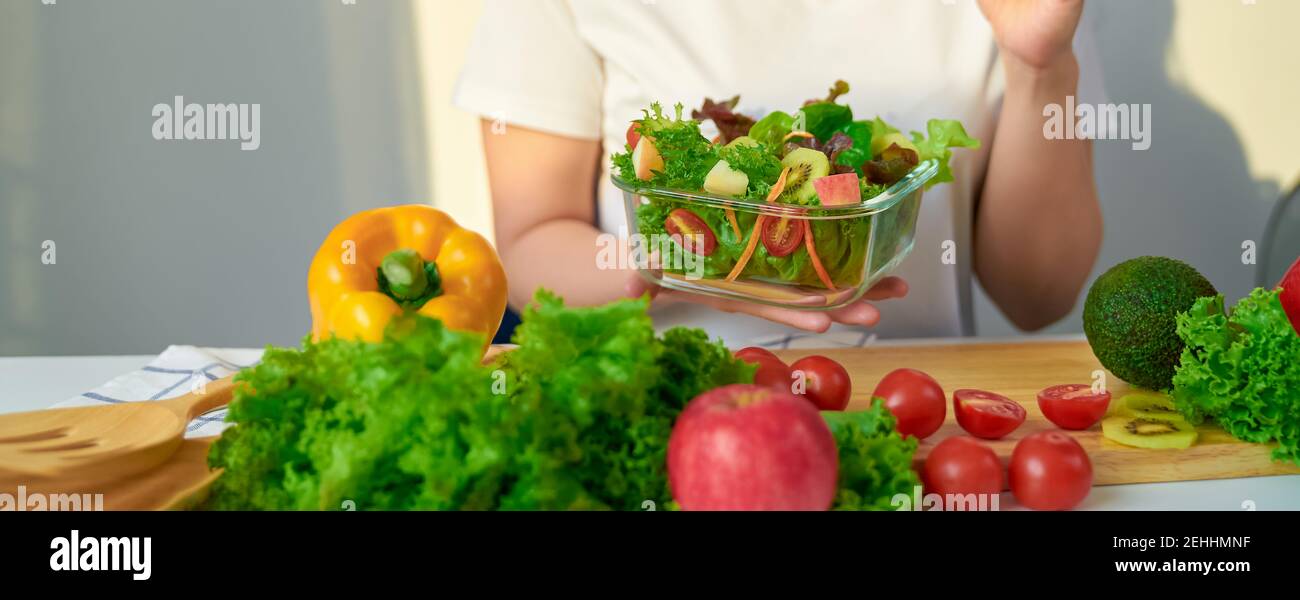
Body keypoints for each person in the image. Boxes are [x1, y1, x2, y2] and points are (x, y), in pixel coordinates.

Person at [454, 0, 1102, 348]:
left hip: (917, 419)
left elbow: (1037, 296)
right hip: (671, 416)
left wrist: (1042, 65)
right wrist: (685, 269)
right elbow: (529, 247)